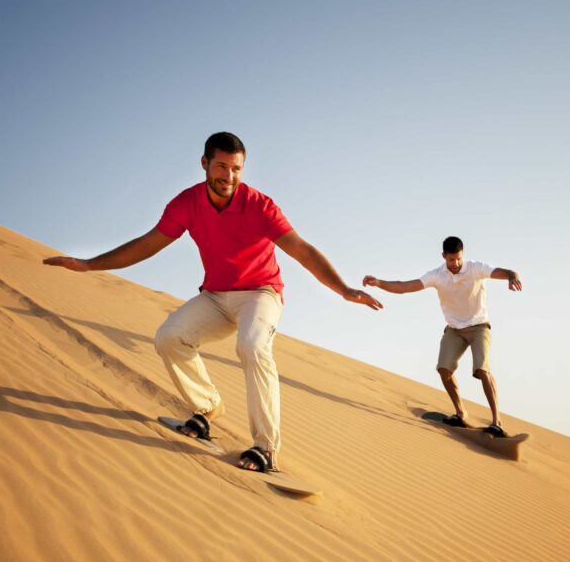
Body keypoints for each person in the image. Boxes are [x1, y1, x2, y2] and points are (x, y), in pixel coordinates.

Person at [44, 132, 382, 471]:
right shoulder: (186, 204)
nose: (229, 176)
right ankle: (206, 410)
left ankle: (265, 448)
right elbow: (147, 245)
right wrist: (89, 264)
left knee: (251, 346)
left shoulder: (260, 205)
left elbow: (301, 249)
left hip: (261, 294)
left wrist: (342, 289)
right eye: (221, 166)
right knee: (170, 337)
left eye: (236, 168)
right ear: (204, 164)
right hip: (217, 296)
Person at [363, 236, 521, 437]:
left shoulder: (475, 268)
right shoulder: (437, 275)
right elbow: (404, 287)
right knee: (444, 369)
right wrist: (379, 283)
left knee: (482, 369)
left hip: (479, 326)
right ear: (443, 256)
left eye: (458, 259)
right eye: (450, 260)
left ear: (462, 255)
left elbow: (505, 272)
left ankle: (496, 422)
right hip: (454, 329)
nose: (455, 264)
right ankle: (460, 413)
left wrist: (512, 277)